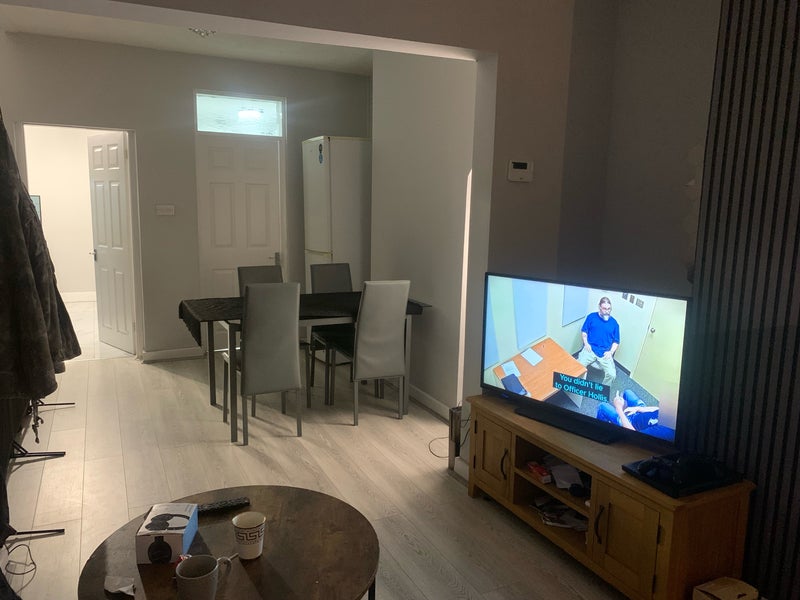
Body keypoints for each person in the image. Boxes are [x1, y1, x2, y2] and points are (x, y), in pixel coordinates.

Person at [577, 296, 619, 386]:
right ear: (599, 307)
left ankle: (602, 390)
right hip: (590, 348)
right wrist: (586, 343)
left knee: (612, 374)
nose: (607, 311)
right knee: (578, 367)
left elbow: (616, 342)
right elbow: (584, 332)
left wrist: (611, 352)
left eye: (609, 309)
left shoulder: (614, 323)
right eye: (604, 308)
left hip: (605, 352)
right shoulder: (591, 317)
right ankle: (579, 386)